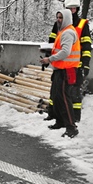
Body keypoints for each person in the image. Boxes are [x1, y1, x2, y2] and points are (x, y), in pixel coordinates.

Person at [44, 0, 92, 122]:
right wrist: (48, 58)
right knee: (55, 90)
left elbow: (86, 46)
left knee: (74, 91)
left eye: (74, 8)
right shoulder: (59, 24)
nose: (71, 11)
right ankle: (53, 114)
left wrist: (85, 64)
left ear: (77, 9)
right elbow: (52, 44)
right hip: (60, 64)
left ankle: (74, 118)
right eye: (69, 8)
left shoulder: (82, 24)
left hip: (74, 65)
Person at [40, 8, 80, 138]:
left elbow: (65, 52)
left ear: (67, 19)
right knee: (57, 98)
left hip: (66, 71)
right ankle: (61, 121)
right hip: (60, 70)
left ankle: (71, 128)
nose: (58, 20)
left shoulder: (67, 32)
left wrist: (49, 59)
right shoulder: (62, 31)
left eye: (61, 18)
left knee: (64, 99)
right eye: (57, 17)